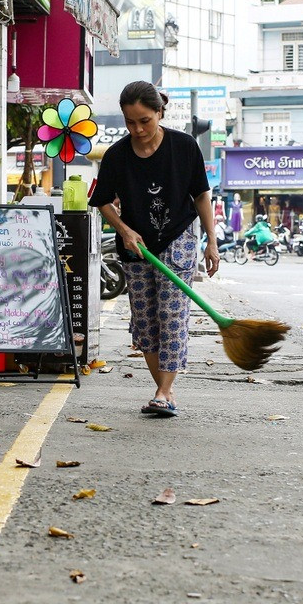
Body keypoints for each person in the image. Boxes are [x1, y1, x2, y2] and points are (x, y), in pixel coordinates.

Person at [89, 81, 216, 418]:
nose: (138, 129)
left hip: (179, 238)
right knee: (145, 322)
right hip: (136, 246)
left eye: (145, 120)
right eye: (131, 122)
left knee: (172, 315)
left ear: (160, 112)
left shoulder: (184, 146)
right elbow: (101, 201)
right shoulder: (116, 155)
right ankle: (163, 389)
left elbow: (201, 195)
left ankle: (164, 391)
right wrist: (124, 229)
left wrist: (211, 242)